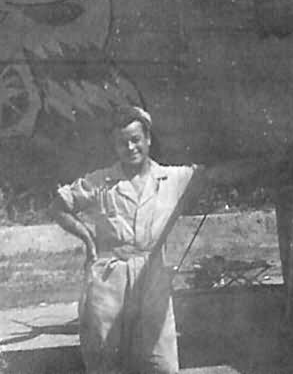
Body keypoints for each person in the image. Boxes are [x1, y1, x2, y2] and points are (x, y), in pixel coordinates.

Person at [49, 105, 208, 374]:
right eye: (122, 143)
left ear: (148, 140)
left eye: (136, 140)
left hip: (152, 276)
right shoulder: (100, 181)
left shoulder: (172, 178)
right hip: (110, 278)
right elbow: (58, 207)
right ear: (115, 147)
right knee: (105, 359)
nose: (130, 147)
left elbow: (212, 175)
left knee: (162, 362)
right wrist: (87, 239)